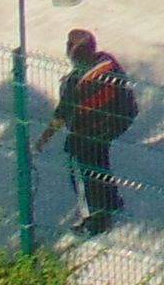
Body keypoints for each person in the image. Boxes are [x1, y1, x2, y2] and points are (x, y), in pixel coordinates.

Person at [40, 26, 135, 234]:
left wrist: (42, 141)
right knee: (101, 166)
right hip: (111, 127)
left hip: (84, 135)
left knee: (83, 178)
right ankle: (111, 202)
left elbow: (61, 115)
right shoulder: (108, 63)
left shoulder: (75, 84)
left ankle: (94, 220)